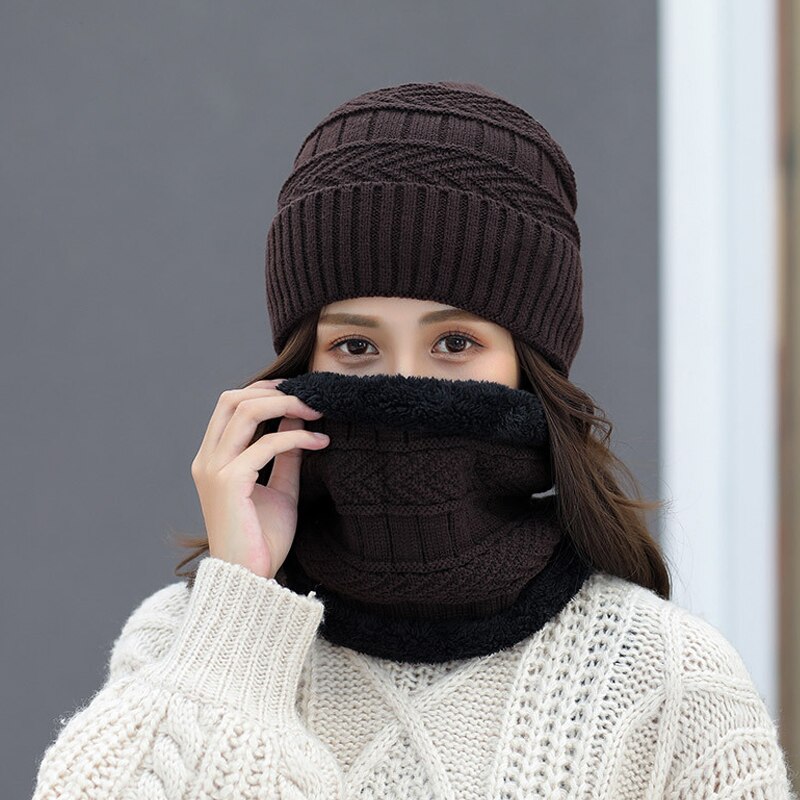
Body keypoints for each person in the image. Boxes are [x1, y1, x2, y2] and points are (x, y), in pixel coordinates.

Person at [31, 81, 796, 799]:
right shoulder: (184, 643)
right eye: (355, 349)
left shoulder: (666, 680)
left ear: (528, 370)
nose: (402, 385)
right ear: (299, 369)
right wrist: (241, 617)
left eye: (455, 344)